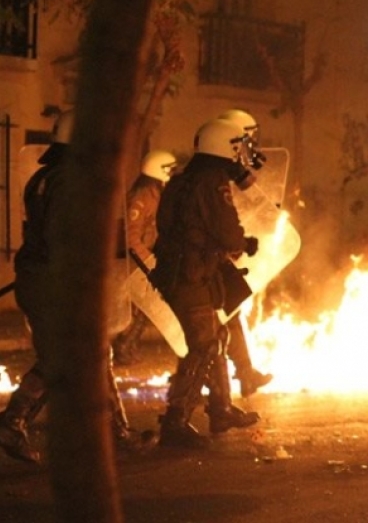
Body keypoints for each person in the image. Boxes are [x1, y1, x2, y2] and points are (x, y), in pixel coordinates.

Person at [0, 110, 148, 463]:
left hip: (41, 277)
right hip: (57, 282)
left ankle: (115, 432)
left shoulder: (45, 176)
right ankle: (12, 422)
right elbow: (64, 236)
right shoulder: (69, 181)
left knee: (92, 352)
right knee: (63, 358)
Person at [150, 118, 261, 448]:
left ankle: (221, 409)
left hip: (179, 271)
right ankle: (176, 421)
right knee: (203, 345)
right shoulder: (213, 181)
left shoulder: (181, 180)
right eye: (236, 148)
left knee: (217, 336)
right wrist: (244, 243)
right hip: (193, 275)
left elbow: (167, 225)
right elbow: (227, 230)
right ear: (224, 148)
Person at [218, 108, 272, 397]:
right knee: (206, 333)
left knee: (228, 315)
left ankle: (244, 377)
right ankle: (207, 401)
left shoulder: (222, 171)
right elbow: (221, 217)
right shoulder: (214, 176)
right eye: (245, 140)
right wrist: (238, 242)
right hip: (205, 259)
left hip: (218, 256)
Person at [111, 149, 177, 366]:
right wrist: (148, 260)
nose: (172, 173)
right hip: (137, 260)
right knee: (141, 306)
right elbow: (132, 235)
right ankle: (123, 346)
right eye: (169, 169)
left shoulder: (154, 192)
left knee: (146, 307)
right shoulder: (143, 195)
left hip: (144, 257)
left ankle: (126, 345)